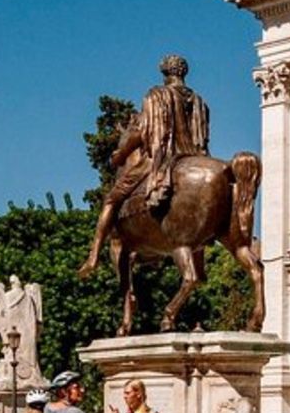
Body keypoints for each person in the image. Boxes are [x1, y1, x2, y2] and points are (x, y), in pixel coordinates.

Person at [78, 54, 210, 278]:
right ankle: (200, 260)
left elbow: (142, 131)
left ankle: (93, 256)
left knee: (111, 200)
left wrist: (120, 154)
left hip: (161, 158)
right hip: (195, 158)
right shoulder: (199, 101)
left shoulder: (157, 94)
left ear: (164, 72)